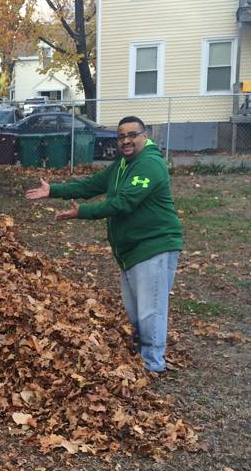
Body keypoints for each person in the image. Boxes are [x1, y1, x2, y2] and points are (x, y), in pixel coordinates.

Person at [25, 116, 183, 375]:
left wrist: (82, 212)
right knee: (135, 310)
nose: (126, 140)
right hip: (130, 250)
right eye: (121, 136)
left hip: (154, 244)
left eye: (132, 135)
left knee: (150, 310)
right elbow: (92, 185)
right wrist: (54, 189)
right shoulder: (122, 164)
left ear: (145, 135)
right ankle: (141, 355)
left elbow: (123, 203)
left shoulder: (150, 165)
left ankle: (153, 365)